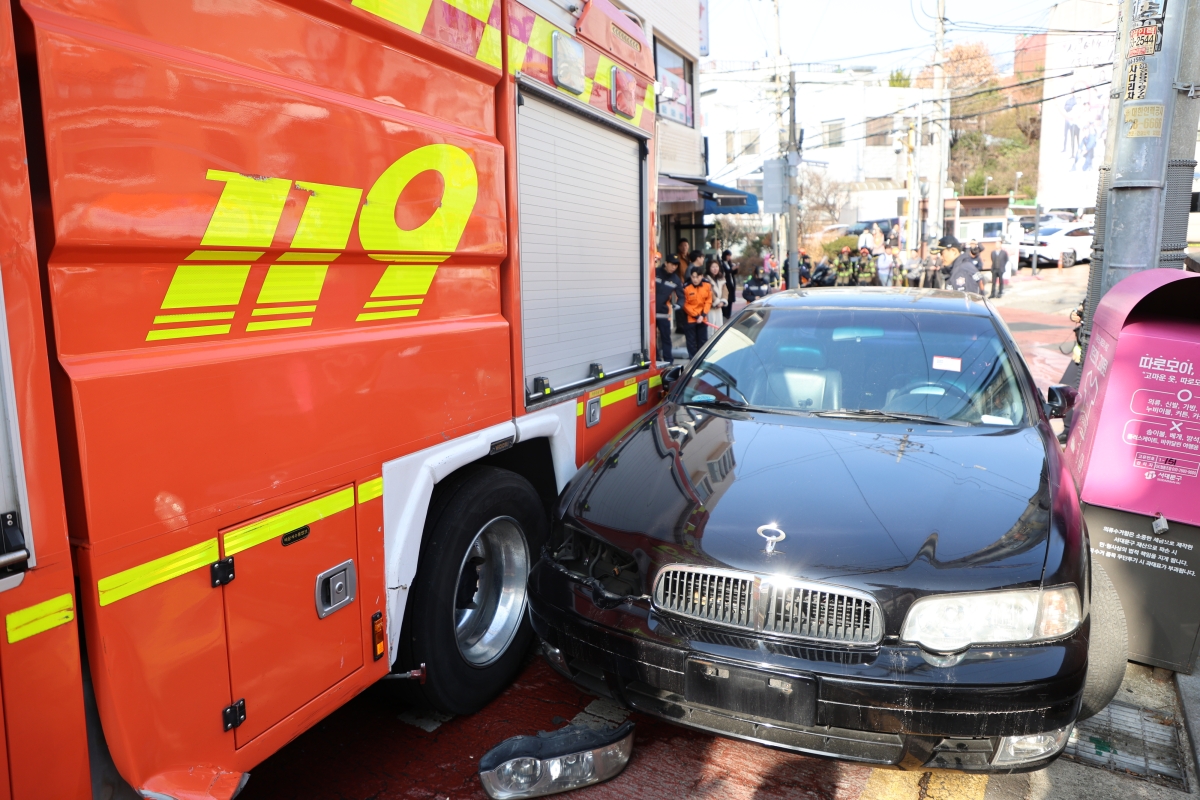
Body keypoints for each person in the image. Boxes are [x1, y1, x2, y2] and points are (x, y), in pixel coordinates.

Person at [654, 256, 683, 364]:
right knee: (652, 339)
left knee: (666, 338)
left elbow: (681, 296)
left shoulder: (675, 279)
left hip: (664, 314)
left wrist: (679, 305)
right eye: (672, 264)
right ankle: (655, 359)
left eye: (676, 265)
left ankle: (668, 362)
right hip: (650, 313)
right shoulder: (654, 272)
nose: (674, 267)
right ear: (665, 263)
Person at [682, 265, 713, 358]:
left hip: (702, 318)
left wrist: (703, 315)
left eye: (697, 277)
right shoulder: (686, 287)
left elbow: (708, 301)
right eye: (693, 277)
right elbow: (685, 304)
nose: (695, 279)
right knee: (691, 342)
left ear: (702, 276)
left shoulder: (707, 285)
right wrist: (696, 316)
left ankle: (701, 360)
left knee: (702, 341)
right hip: (690, 319)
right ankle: (693, 361)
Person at [704, 258, 728, 329]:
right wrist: (717, 302)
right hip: (710, 306)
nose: (715, 269)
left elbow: (725, 291)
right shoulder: (706, 279)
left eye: (717, 267)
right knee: (711, 327)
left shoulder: (721, 278)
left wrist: (723, 301)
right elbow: (709, 292)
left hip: (719, 306)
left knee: (719, 326)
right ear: (709, 268)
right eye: (713, 267)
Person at [719, 249, 738, 321]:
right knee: (726, 299)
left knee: (730, 300)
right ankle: (725, 315)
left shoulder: (729, 263)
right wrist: (731, 269)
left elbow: (733, 272)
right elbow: (726, 272)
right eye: (728, 255)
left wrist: (735, 268)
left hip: (732, 283)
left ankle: (728, 315)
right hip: (726, 284)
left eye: (730, 256)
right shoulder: (721, 263)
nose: (729, 257)